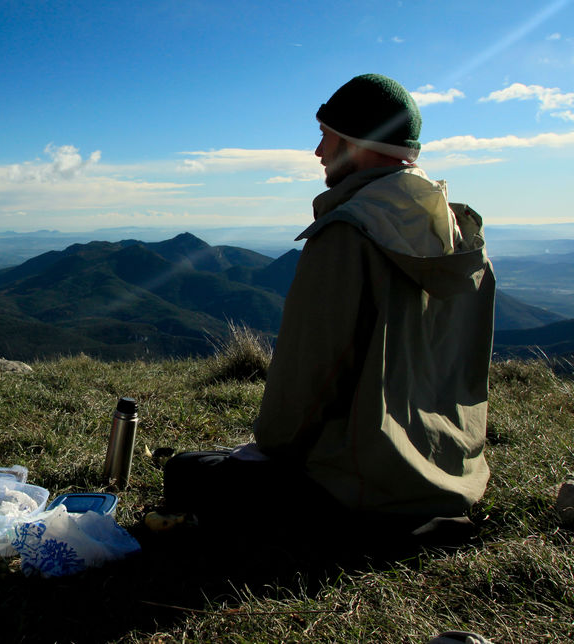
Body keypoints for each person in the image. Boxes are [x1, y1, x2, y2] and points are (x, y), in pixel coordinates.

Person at [162, 74, 495, 547]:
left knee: (187, 472)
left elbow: (306, 378)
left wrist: (268, 449)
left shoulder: (348, 234)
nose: (319, 151)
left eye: (326, 136)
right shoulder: (460, 234)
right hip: (453, 471)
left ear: (357, 143)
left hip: (362, 485)